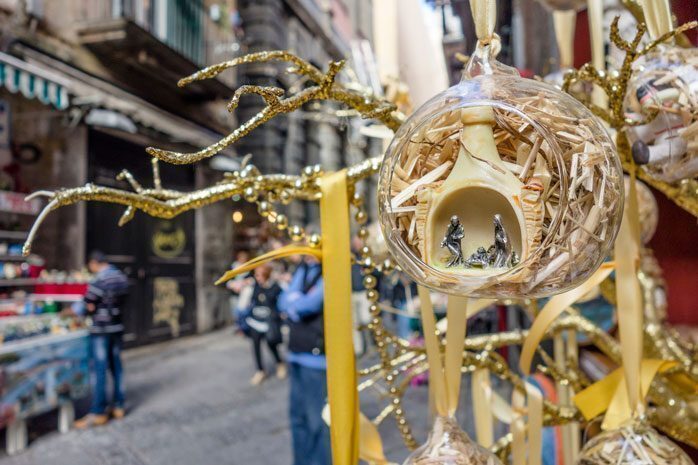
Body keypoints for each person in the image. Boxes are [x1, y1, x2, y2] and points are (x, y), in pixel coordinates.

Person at [278, 254, 331, 465]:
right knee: (297, 418)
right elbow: (283, 301)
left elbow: (312, 303)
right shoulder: (302, 269)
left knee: (317, 421)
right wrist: (296, 303)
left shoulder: (329, 270)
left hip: (316, 358)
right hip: (296, 353)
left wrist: (294, 304)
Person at [74, 250, 129, 429]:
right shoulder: (121, 278)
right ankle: (119, 406)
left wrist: (86, 308)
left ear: (94, 263)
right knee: (116, 367)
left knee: (99, 370)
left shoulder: (100, 280)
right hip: (117, 327)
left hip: (101, 330)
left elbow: (86, 303)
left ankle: (98, 411)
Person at [240, 263, 286, 385]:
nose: (257, 277)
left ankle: (280, 363)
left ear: (266, 275)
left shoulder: (275, 287)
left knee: (271, 344)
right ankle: (260, 371)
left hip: (269, 323)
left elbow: (282, 302)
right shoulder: (254, 285)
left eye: (259, 275)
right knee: (255, 346)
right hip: (255, 321)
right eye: (256, 275)